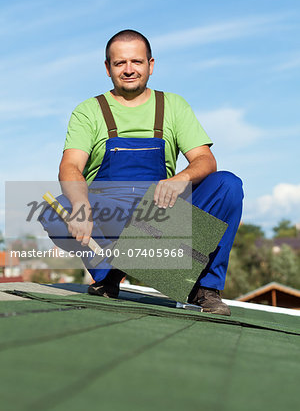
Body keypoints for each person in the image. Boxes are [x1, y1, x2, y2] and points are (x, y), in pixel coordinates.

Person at [39, 29, 243, 316]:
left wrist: (180, 179)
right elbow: (70, 166)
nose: (129, 69)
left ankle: (205, 288)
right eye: (120, 63)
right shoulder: (88, 111)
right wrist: (82, 206)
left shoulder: (173, 105)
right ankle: (110, 272)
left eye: (136, 61)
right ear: (108, 68)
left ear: (151, 64)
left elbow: (205, 160)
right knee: (55, 212)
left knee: (228, 185)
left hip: (164, 215)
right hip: (115, 218)